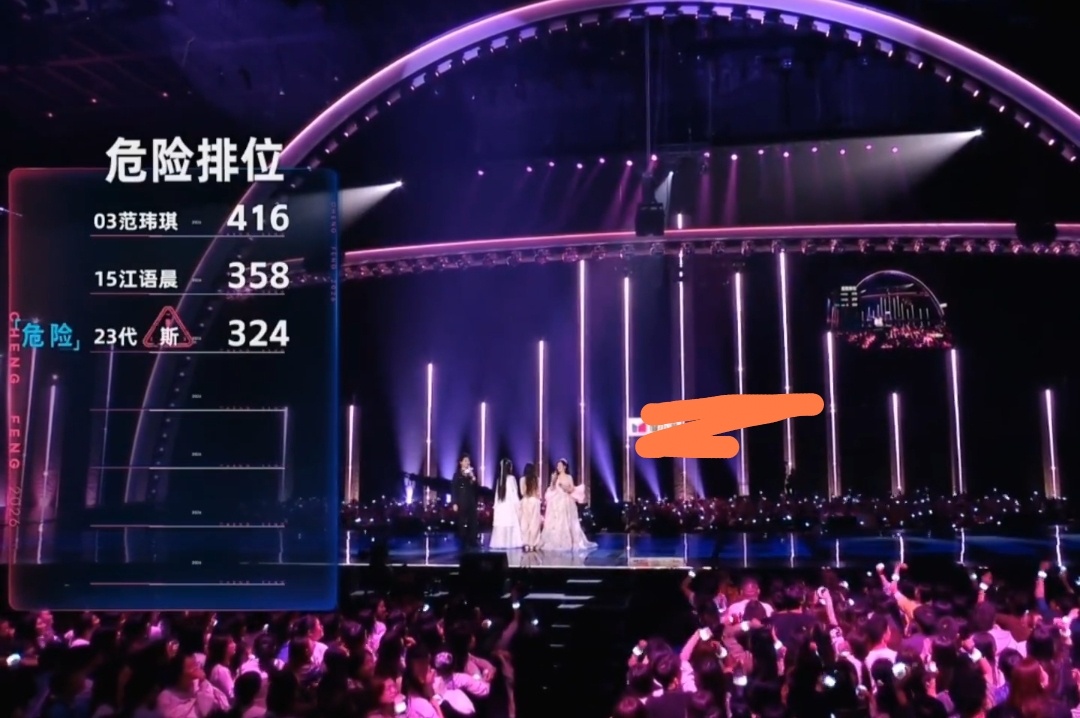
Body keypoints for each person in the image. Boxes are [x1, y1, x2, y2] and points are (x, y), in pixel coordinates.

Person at [538, 459, 596, 551]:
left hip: (566, 500)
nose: (558, 467)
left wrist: (564, 487)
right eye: (557, 466)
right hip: (556, 502)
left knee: (566, 520)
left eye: (560, 465)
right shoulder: (555, 477)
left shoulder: (569, 477)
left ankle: (569, 540)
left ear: (564, 467)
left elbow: (571, 489)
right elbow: (551, 489)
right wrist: (553, 481)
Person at [489, 458, 523, 550]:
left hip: (501, 507)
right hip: (509, 507)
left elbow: (496, 496)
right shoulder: (511, 479)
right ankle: (508, 543)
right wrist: (518, 505)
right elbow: (514, 494)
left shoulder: (499, 480)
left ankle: (501, 544)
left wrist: (496, 507)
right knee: (509, 525)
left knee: (501, 525)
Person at [451, 453, 480, 550]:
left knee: (473, 521)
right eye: (465, 461)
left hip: (471, 500)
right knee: (462, 521)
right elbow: (454, 489)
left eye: (468, 461)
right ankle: (463, 541)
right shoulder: (457, 475)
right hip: (461, 501)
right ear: (461, 462)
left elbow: (476, 487)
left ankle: (473, 540)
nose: (468, 462)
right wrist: (454, 502)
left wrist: (472, 477)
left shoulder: (471, 474)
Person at [518, 462, 543, 551]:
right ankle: (533, 544)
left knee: (525, 523)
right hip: (534, 502)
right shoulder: (537, 479)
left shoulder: (522, 479)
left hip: (525, 501)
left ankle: (526, 544)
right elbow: (538, 493)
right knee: (534, 523)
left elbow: (522, 492)